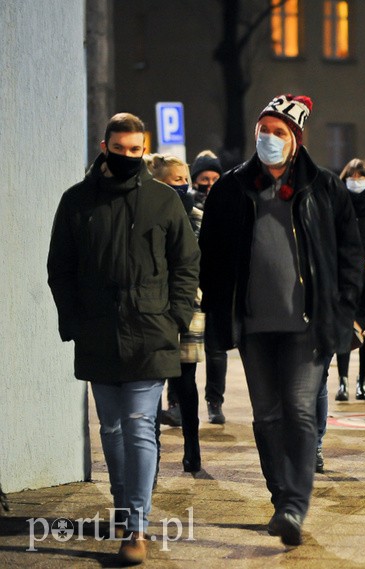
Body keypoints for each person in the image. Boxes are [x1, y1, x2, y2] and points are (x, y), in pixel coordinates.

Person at [198, 94, 362, 546]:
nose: (268, 138)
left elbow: (350, 254)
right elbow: (209, 256)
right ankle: (280, 497)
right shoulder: (231, 189)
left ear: (296, 140)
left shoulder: (325, 188)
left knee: (299, 409)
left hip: (307, 324)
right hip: (253, 324)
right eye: (263, 129)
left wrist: (343, 307)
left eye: (279, 131)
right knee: (267, 415)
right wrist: (219, 308)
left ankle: (294, 504)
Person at [47, 113, 200, 564]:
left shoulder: (163, 200)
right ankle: (122, 506)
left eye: (137, 150)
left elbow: (186, 262)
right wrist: (73, 321)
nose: (129, 157)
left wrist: (176, 316)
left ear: (144, 149)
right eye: (122, 149)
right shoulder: (77, 202)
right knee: (111, 430)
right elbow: (61, 268)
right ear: (104, 146)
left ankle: (136, 526)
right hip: (98, 330)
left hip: (151, 331)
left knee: (138, 427)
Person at [148, 154, 206, 473]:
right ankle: (152, 447)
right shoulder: (149, 214)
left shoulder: (197, 215)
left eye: (185, 180)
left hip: (191, 304)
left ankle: (192, 446)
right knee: (153, 378)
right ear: (159, 183)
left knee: (186, 379)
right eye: (176, 180)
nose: (184, 186)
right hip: (155, 307)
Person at [333, 158, 365, 402]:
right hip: (346, 277)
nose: (356, 181)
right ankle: (343, 381)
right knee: (346, 330)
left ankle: (362, 381)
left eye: (361, 176)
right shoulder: (339, 199)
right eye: (352, 176)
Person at [189, 150, 229, 425]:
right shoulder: (184, 206)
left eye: (215, 177)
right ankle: (177, 402)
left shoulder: (226, 206)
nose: (210, 183)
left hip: (215, 289)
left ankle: (214, 402)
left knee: (216, 351)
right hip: (190, 289)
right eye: (204, 178)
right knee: (184, 352)